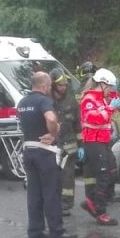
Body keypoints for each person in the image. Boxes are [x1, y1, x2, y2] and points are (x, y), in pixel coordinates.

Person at [17, 71, 76, 238]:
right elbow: (50, 118)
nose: (50, 88)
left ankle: (34, 233)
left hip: (28, 151)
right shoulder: (43, 101)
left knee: (34, 194)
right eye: (49, 85)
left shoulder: (23, 102)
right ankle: (56, 231)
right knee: (51, 193)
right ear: (44, 86)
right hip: (44, 152)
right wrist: (53, 132)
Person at [80, 67, 120, 225]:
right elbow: (94, 118)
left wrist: (114, 96)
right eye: (109, 87)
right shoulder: (89, 99)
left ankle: (93, 201)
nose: (109, 90)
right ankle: (100, 211)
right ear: (102, 84)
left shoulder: (101, 98)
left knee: (111, 171)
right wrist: (110, 108)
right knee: (103, 176)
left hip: (103, 142)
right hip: (93, 142)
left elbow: (111, 110)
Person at [52, 73, 83, 216]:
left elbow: (78, 126)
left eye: (65, 85)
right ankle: (52, 201)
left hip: (69, 147)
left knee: (68, 177)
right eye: (60, 85)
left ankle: (66, 204)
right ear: (53, 85)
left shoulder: (71, 102)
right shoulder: (47, 101)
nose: (63, 87)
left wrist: (81, 145)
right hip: (52, 146)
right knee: (52, 176)